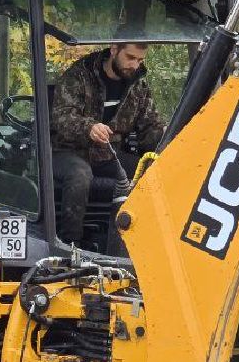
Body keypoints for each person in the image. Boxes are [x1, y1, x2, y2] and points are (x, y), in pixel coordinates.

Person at [50, 41, 164, 243]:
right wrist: (89, 128)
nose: (135, 65)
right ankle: (69, 244)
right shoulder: (78, 76)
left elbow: (150, 127)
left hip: (108, 153)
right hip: (68, 151)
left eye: (140, 60)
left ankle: (141, 243)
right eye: (130, 57)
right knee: (80, 175)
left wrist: (168, 140)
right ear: (114, 50)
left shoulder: (138, 85)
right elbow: (61, 117)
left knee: (152, 173)